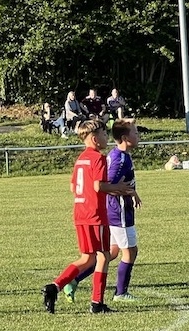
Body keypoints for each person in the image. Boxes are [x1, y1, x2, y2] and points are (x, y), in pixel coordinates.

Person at [42, 118, 135, 314]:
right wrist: (118, 187)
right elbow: (98, 186)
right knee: (103, 256)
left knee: (87, 258)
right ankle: (97, 302)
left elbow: (73, 187)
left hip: (80, 213)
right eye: (103, 134)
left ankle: (54, 287)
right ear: (94, 139)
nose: (106, 137)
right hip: (95, 215)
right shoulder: (98, 158)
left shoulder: (81, 159)